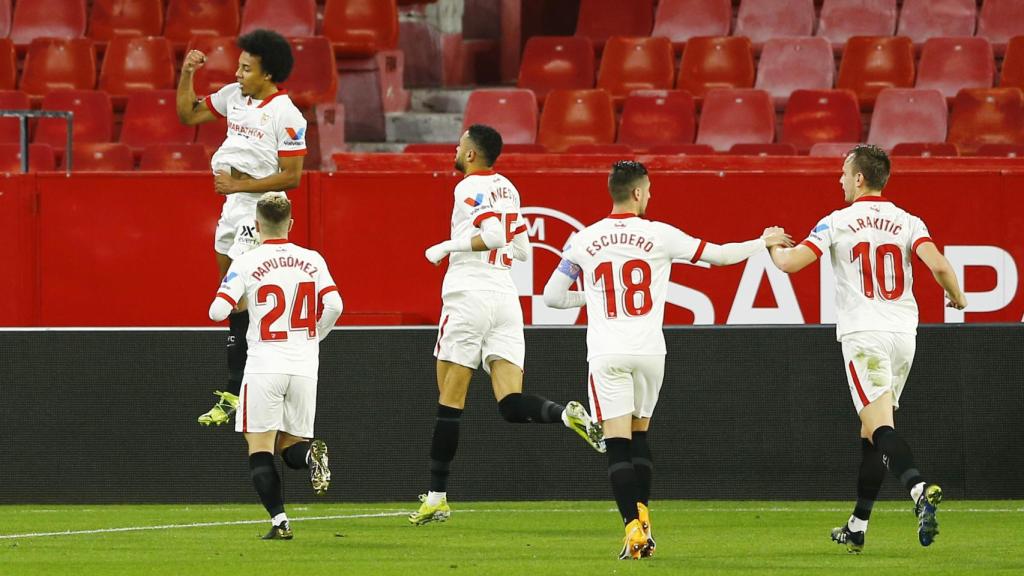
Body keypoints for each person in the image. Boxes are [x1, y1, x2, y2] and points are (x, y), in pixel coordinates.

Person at [542, 160, 792, 560]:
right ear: (639, 193)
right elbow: (722, 257)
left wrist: (592, 298)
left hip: (608, 351)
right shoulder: (660, 235)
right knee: (640, 437)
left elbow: (552, 297)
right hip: (650, 352)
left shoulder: (583, 240)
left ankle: (632, 530)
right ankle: (644, 523)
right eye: (650, 190)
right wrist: (762, 242)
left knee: (617, 445)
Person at [767, 145, 968, 553]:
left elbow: (789, 264)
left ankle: (918, 490)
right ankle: (857, 526)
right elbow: (941, 266)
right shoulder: (908, 221)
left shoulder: (836, 222)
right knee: (870, 432)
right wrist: (957, 298)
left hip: (865, 336)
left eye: (844, 173)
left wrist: (770, 243)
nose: (840, 180)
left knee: (880, 428)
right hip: (903, 337)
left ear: (860, 178)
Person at [409, 124, 606, 526]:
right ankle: (565, 415)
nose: (456, 148)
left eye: (460, 144)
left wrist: (447, 246)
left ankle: (437, 497)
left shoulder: (466, 188)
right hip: (505, 298)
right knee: (510, 404)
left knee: (449, 401)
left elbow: (496, 236)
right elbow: (521, 248)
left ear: (471, 154)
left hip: (468, 295)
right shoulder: (509, 189)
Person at [177, 29, 308, 426]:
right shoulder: (233, 97)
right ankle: (252, 382)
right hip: (233, 207)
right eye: (238, 65)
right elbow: (188, 115)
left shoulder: (287, 114)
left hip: (263, 210)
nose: (237, 73)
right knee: (238, 301)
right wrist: (186, 75)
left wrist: (240, 184)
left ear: (268, 75)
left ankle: (238, 389)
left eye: (246, 68)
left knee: (235, 294)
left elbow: (292, 177)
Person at [209, 193, 341, 540]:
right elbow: (335, 305)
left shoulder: (247, 261)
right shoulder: (312, 259)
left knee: (261, 447)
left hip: (264, 365)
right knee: (291, 446)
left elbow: (217, 311)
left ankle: (280, 522)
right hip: (304, 366)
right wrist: (315, 337)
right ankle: (311, 455)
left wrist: (235, 286)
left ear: (255, 225)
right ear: (291, 224)